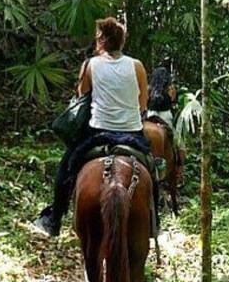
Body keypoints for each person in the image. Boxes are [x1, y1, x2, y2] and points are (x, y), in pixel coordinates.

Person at [32, 17, 149, 237]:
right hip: (132, 132)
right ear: (121, 42)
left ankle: (54, 219)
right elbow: (143, 104)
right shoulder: (137, 66)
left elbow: (81, 96)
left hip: (97, 132)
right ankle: (153, 222)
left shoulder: (90, 65)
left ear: (102, 41)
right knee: (151, 168)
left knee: (66, 168)